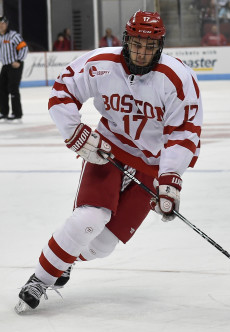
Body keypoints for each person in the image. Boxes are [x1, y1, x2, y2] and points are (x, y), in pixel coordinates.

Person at [15, 10, 203, 313]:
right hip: (109, 148)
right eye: (137, 44)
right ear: (126, 40)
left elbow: (183, 133)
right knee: (89, 219)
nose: (142, 52)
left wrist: (170, 180)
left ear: (160, 46)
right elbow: (63, 91)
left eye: (149, 46)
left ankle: (66, 259)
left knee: (102, 246)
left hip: (153, 164)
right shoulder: (102, 63)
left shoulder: (178, 79)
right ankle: (40, 278)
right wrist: (74, 131)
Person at [0, 15, 28, 120]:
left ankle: (17, 113)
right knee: (1, 88)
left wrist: (19, 61)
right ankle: (3, 112)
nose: (1, 26)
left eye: (2, 23)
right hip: (5, 65)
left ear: (6, 24)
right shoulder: (0, 37)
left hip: (15, 65)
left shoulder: (13, 35)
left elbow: (24, 48)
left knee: (13, 88)